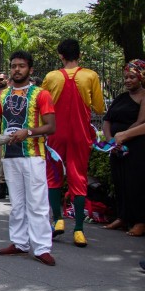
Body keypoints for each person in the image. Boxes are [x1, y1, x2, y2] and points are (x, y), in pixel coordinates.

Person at [0, 51, 57, 266]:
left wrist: (27, 132)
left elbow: (51, 126)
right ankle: (19, 243)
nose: (16, 69)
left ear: (30, 69)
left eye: (21, 66)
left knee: (37, 203)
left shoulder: (41, 94)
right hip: (9, 155)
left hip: (33, 154)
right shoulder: (2, 95)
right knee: (17, 203)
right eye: (13, 66)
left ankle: (42, 248)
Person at [41, 38, 105, 247]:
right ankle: (79, 230)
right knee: (78, 178)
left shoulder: (51, 77)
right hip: (80, 134)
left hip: (56, 133)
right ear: (79, 55)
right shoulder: (90, 76)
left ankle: (57, 220)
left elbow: (41, 104)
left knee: (53, 177)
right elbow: (99, 107)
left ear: (60, 55)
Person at [102, 59, 145, 236]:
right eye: (126, 77)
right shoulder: (120, 97)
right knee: (119, 180)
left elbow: (141, 121)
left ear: (141, 78)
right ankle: (122, 217)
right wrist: (111, 140)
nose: (127, 80)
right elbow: (107, 120)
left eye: (132, 77)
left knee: (136, 183)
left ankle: (140, 220)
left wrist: (124, 137)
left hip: (135, 146)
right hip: (116, 146)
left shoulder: (144, 96)